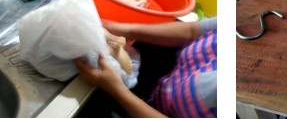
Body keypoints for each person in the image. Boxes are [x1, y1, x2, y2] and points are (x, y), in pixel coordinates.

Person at [74, 18, 217, 118]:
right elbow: (192, 31)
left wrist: (116, 89)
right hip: (153, 99)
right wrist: (126, 30)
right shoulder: (235, 24)